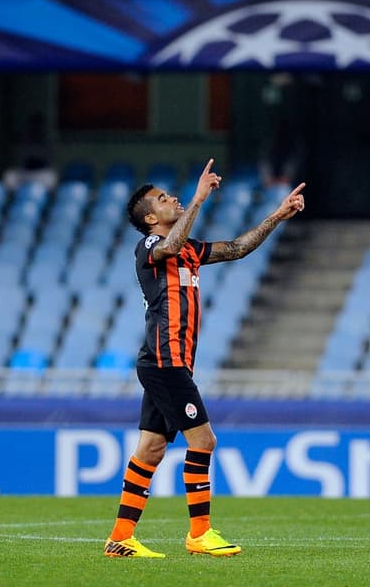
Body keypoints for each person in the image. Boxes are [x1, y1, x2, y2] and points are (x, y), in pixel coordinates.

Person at [104, 158, 305, 559]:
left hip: (169, 361)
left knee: (151, 450)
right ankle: (199, 533)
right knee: (205, 440)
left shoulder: (190, 252)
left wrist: (277, 216)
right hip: (165, 360)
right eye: (163, 199)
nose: (171, 198)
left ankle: (120, 537)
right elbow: (171, 244)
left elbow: (237, 248)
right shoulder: (149, 246)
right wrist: (197, 199)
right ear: (149, 218)